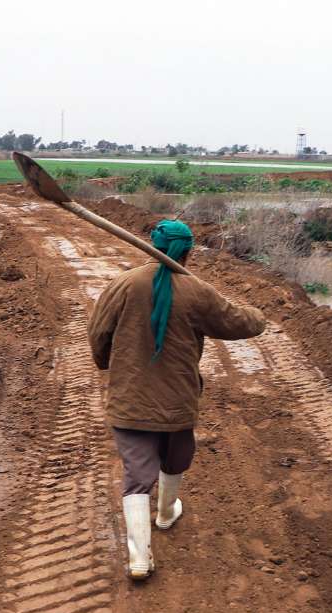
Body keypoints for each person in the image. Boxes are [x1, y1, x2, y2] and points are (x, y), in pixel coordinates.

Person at [88, 220, 266, 580]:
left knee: (137, 476)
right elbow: (237, 323)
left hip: (130, 398)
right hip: (178, 399)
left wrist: (107, 363)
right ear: (188, 252)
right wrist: (259, 316)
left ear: (151, 246)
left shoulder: (123, 283)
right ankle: (166, 513)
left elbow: (98, 334)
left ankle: (140, 559)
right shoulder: (197, 290)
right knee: (175, 458)